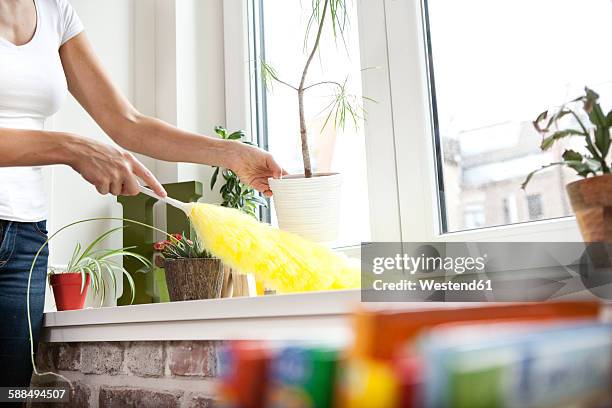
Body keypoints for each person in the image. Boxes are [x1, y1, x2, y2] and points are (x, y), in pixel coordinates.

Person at [0, 0, 284, 387]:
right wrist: (69, 147)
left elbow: (127, 123)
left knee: (10, 390)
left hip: (24, 241)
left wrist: (231, 154)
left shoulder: (55, 11)